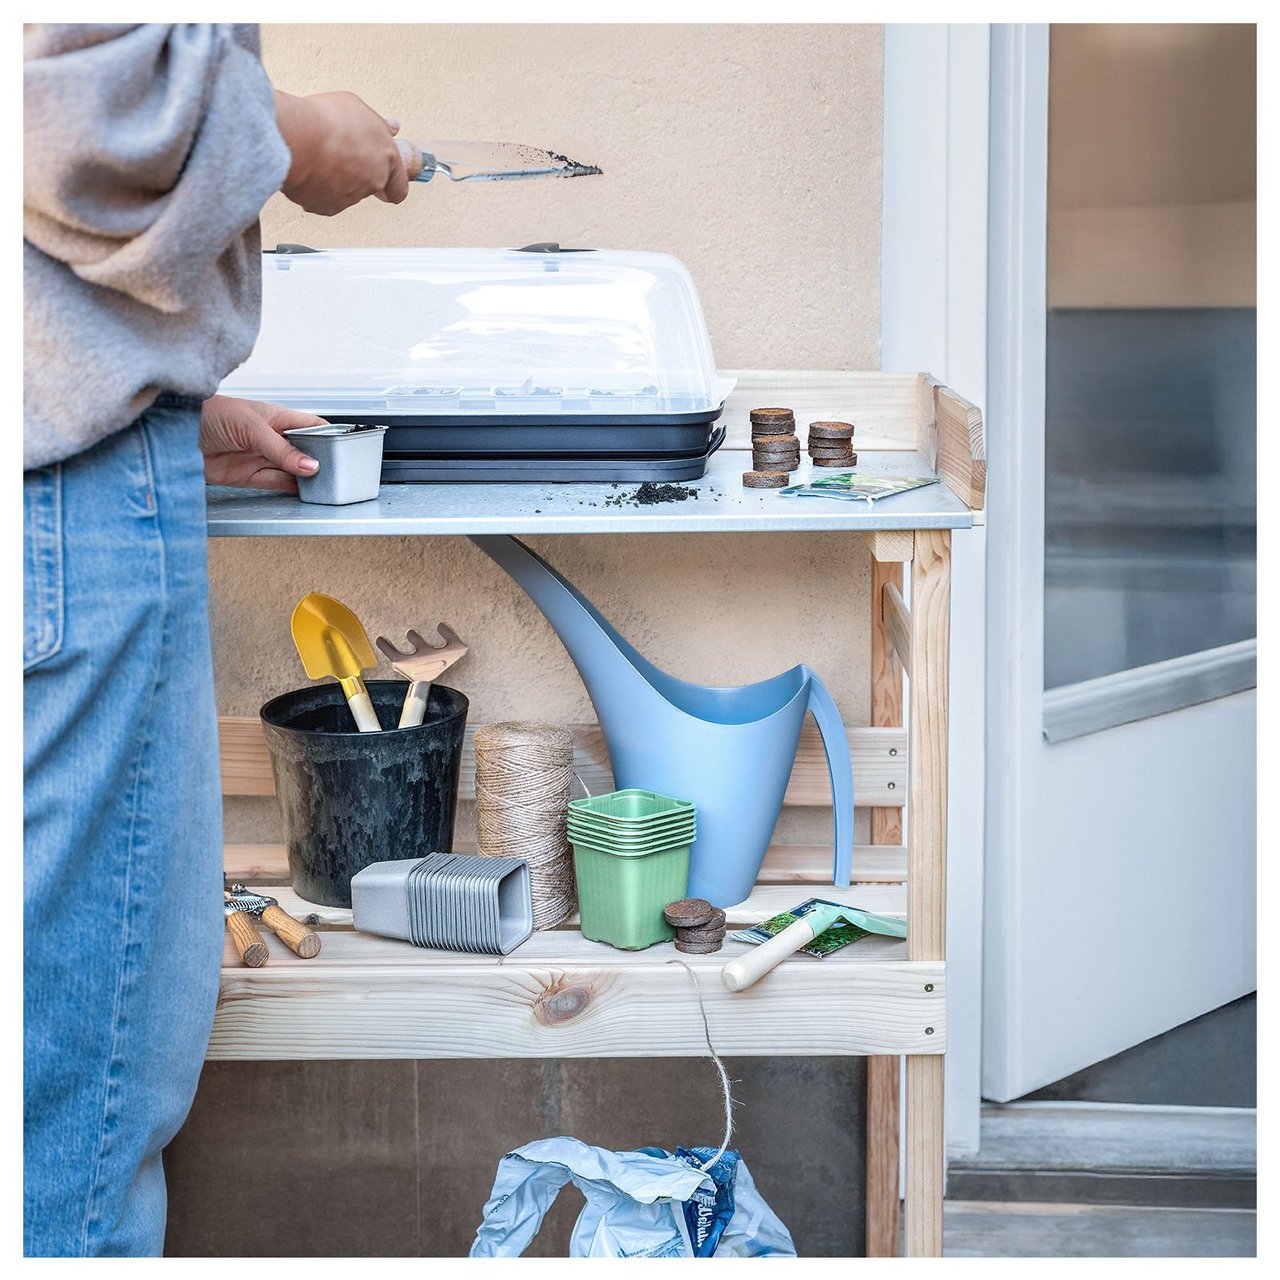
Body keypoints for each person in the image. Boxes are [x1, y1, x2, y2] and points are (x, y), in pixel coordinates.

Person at [23, 24, 408, 1256]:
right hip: (58, 509)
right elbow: (86, 114)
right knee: (65, 1112)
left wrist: (145, 405)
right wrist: (301, 133)